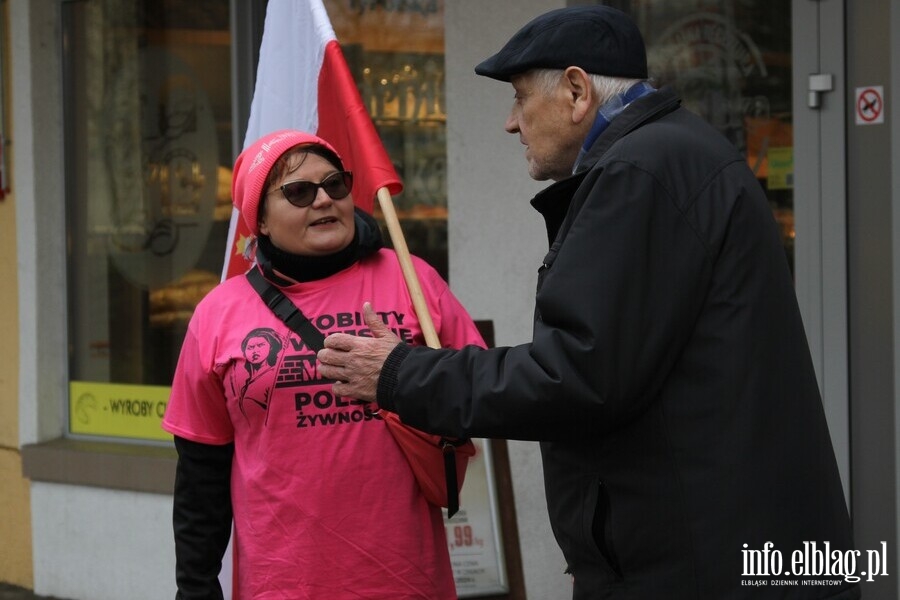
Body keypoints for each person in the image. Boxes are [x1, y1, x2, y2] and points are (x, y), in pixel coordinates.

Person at [317, 6, 860, 600]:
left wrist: (399, 372)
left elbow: (576, 375)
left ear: (576, 91)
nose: (510, 123)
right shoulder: (672, 154)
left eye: (521, 98)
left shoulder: (640, 170)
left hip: (701, 564)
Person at [162, 129, 485, 599]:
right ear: (262, 222)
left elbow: (477, 389)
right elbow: (200, 475)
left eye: (335, 185)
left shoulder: (412, 278)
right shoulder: (218, 312)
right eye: (298, 191)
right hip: (282, 585)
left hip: (408, 582)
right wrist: (195, 587)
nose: (323, 200)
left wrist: (409, 371)